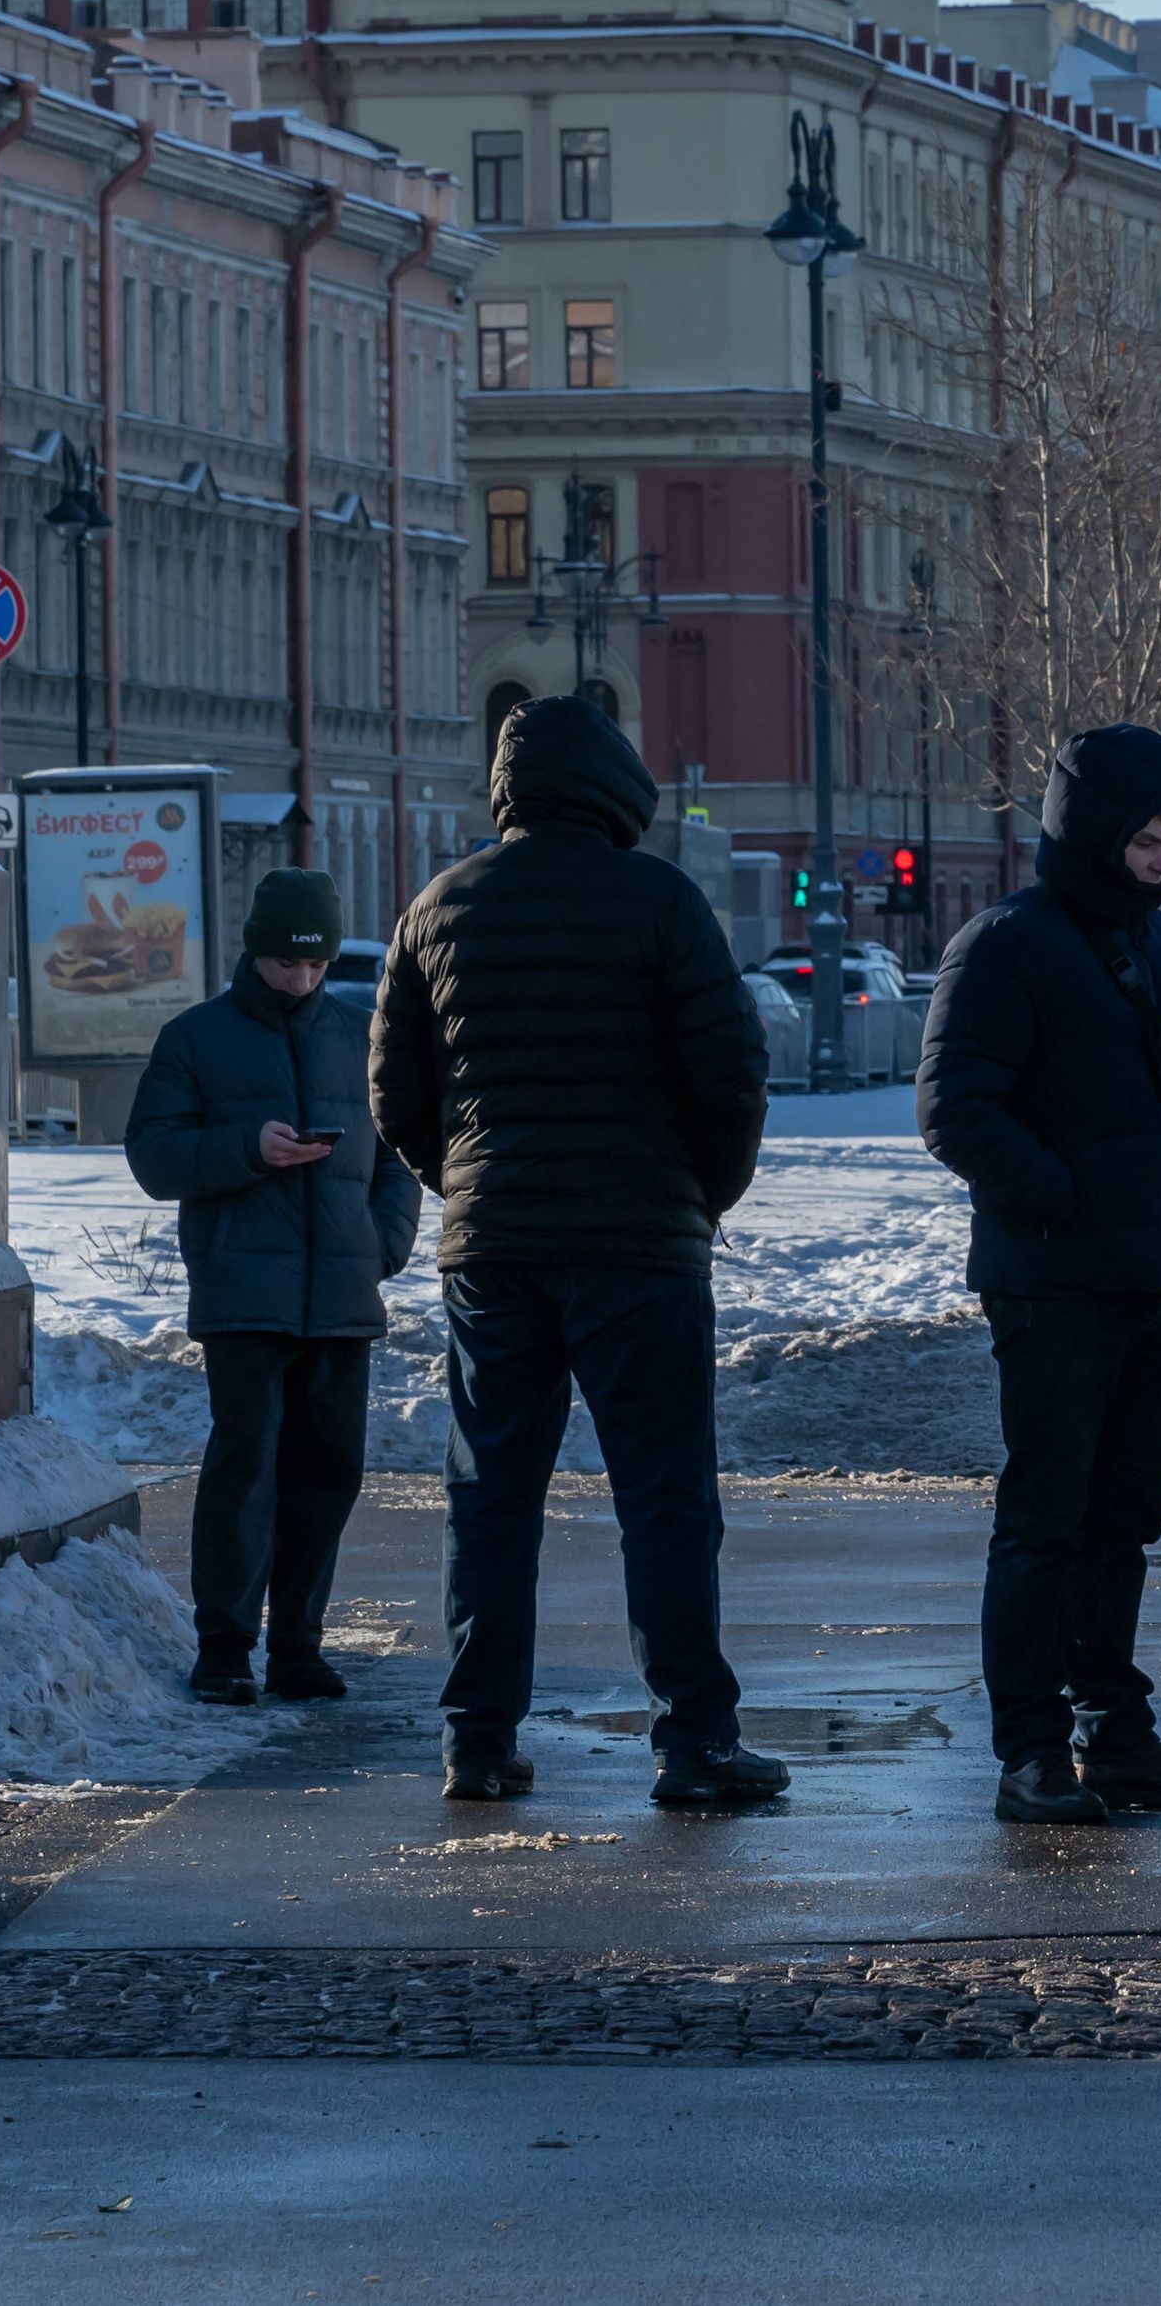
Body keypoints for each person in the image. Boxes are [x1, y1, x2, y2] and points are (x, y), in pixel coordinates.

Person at [373, 696, 779, 1809]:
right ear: (614, 789)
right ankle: (694, 1743)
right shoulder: (660, 901)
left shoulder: (436, 907)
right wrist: (702, 1196)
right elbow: (733, 1072)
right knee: (664, 1497)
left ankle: (477, 1741)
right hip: (641, 1249)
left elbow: (395, 1094)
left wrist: (463, 1186)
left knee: (490, 1497)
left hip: (492, 1250)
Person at [918, 723, 1161, 1826]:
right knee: (1045, 1520)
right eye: (1144, 837)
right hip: (1053, 1279)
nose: (1159, 858)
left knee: (1123, 1520)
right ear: (1091, 829)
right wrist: (1058, 1198)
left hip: (1151, 1274)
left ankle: (1117, 1734)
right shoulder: (1008, 942)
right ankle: (1029, 1752)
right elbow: (955, 1107)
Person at [127, 867, 420, 1705]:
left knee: (328, 1474)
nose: (301, 978)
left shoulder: (360, 1037)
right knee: (244, 1469)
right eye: (286, 962)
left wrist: (381, 1244)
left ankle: (298, 1645)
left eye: (316, 964)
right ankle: (223, 1648)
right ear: (255, 951)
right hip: (242, 1295)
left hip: (341, 1300)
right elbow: (153, 1155)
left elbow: (400, 1153)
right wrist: (248, 1148)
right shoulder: (195, 1038)